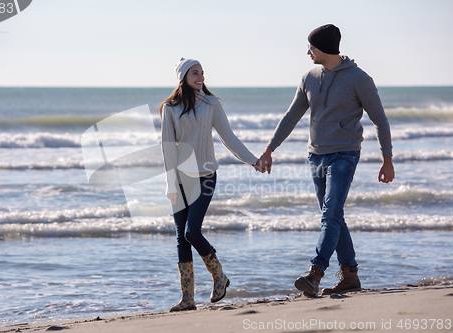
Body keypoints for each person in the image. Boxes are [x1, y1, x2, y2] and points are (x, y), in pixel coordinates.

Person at [256, 24, 395, 297]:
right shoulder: (309, 77)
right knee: (333, 217)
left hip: (345, 153)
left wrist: (387, 159)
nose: (308, 52)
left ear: (324, 49)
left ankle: (315, 273)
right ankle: (350, 275)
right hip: (315, 155)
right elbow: (291, 116)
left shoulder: (359, 79)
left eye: (312, 47)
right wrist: (270, 149)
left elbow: (380, 119)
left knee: (330, 215)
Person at [160, 57, 259, 311]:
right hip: (180, 180)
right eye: (195, 73)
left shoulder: (212, 104)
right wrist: (170, 183)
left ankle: (219, 277)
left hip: (205, 176)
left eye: (202, 73)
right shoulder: (170, 108)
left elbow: (229, 138)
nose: (200, 77)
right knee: (181, 239)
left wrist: (253, 160)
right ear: (183, 77)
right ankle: (187, 299)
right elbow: (167, 150)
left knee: (191, 232)